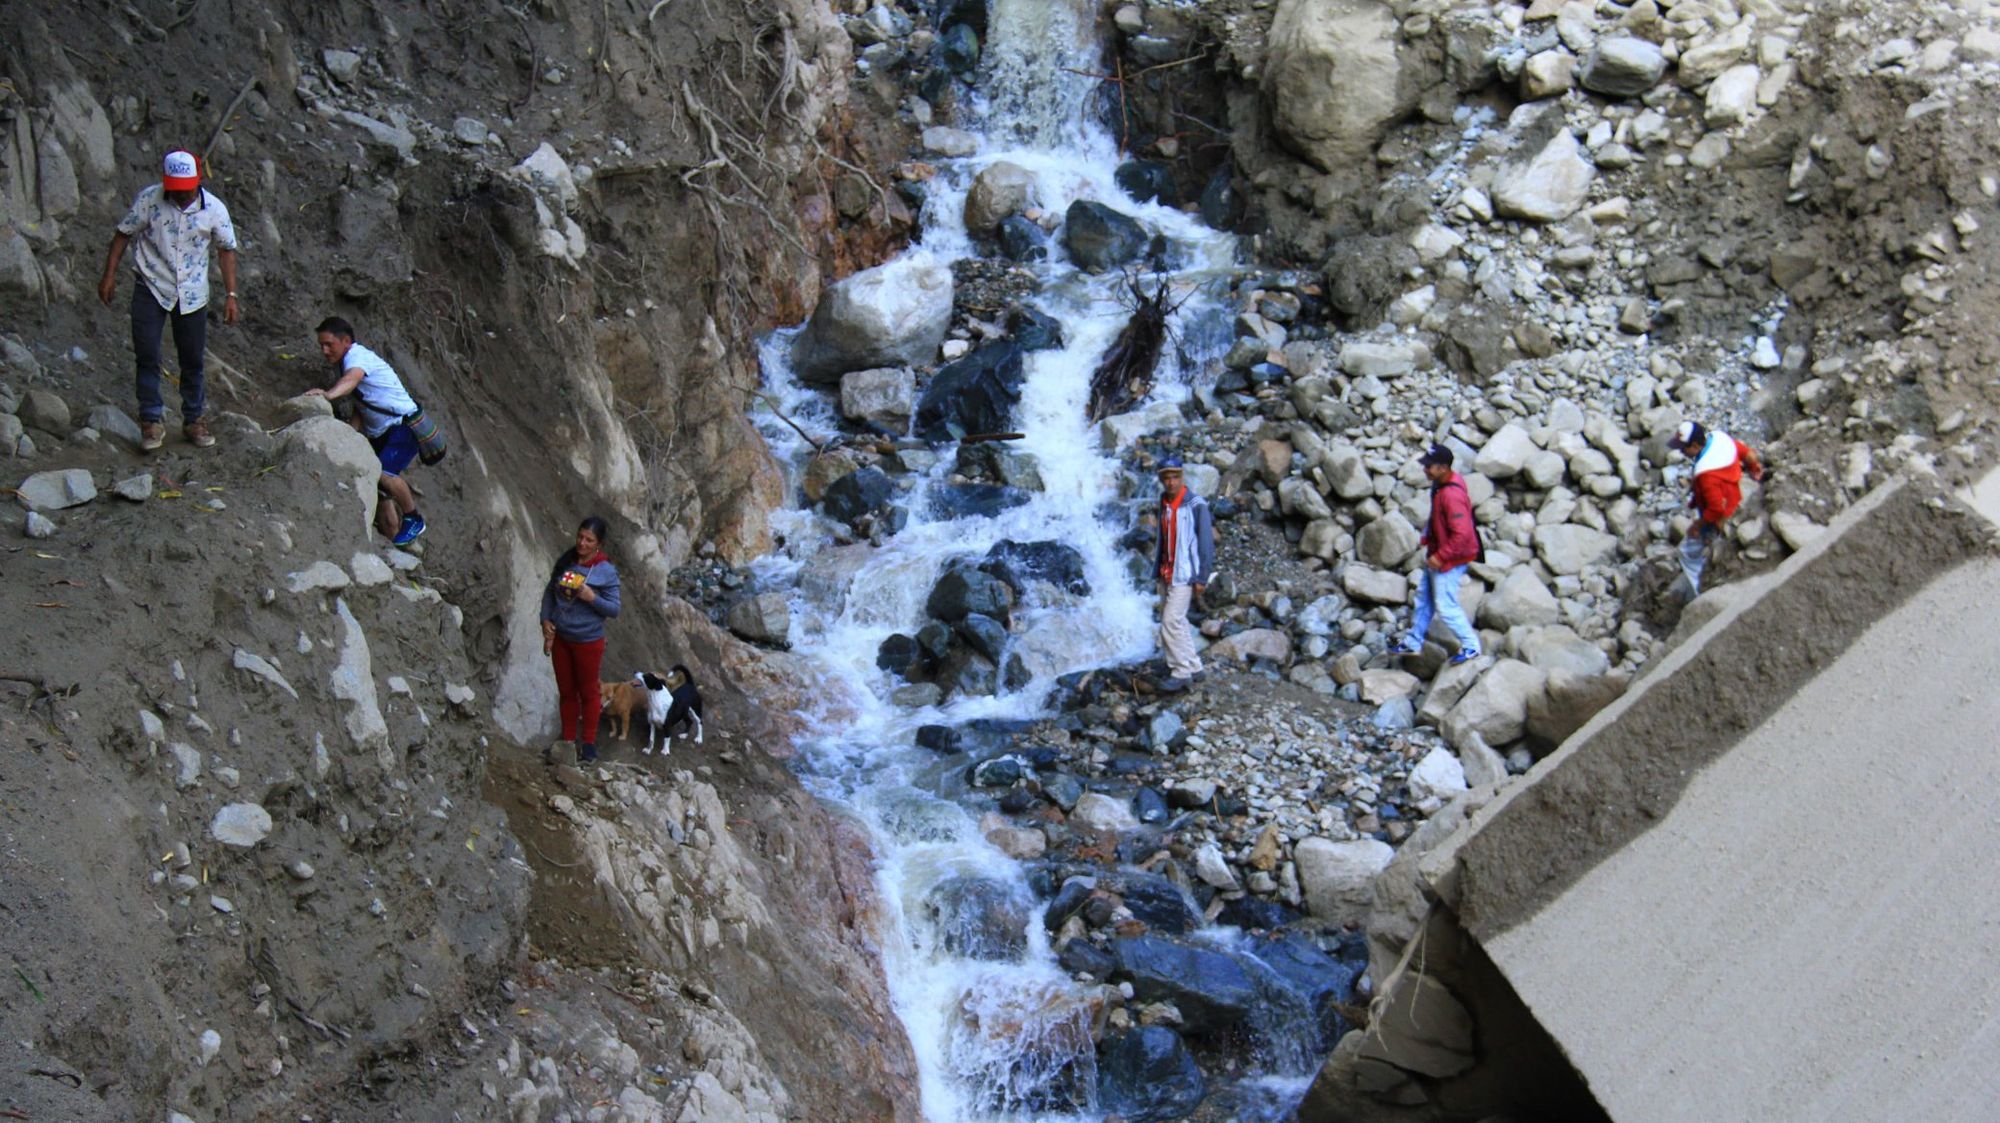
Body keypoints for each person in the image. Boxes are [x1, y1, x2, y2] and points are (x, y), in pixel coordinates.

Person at [97, 149, 240, 451]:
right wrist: (109, 275)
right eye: (175, 188)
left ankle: (194, 419)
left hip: (192, 293)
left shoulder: (214, 209)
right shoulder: (150, 200)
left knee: (192, 359)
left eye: (186, 188)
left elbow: (226, 250)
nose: (181, 194)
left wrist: (231, 295)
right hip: (151, 285)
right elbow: (123, 234)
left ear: (198, 181)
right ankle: (151, 420)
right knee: (147, 353)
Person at [307, 317, 427, 546]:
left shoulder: (357, 357)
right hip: (382, 431)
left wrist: (328, 395)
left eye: (329, 344)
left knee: (384, 473)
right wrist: (350, 435)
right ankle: (394, 545)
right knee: (380, 491)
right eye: (321, 345)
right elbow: (362, 405)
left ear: (346, 341)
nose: (324, 350)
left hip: (402, 424)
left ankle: (414, 518)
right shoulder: (345, 362)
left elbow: (351, 380)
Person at [1388, 444, 1483, 666]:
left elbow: (1462, 535)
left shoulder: (1451, 495)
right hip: (1439, 552)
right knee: (1424, 599)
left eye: (1429, 466)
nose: (1425, 470)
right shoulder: (1442, 484)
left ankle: (1471, 646)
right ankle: (1413, 641)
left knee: (1445, 606)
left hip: (1450, 559)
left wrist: (1441, 557)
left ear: (1443, 468)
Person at [540, 517, 622, 765]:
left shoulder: (605, 571)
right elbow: (550, 592)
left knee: (588, 692)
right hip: (562, 638)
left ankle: (588, 745)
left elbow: (614, 609)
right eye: (580, 537)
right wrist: (545, 619)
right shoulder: (567, 561)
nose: (582, 543)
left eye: (589, 540)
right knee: (566, 691)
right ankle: (566, 743)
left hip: (588, 641)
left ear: (599, 544)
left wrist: (591, 598)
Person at [1667, 420, 1764, 598]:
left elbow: (1716, 509)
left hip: (1724, 514)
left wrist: (1697, 525)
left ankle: (1699, 589)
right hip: (1737, 495)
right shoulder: (1720, 440)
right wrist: (1755, 468)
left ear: (1695, 445)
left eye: (1683, 448)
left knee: (1686, 551)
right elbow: (1748, 454)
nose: (1681, 452)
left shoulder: (1706, 475)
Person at [1152, 455, 1214, 692]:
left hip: (1185, 573)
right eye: (1166, 478)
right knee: (1178, 621)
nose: (1171, 482)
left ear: (1182, 477)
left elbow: (1206, 543)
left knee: (1170, 622)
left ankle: (1181, 672)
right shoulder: (1164, 501)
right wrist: (1158, 570)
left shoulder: (1196, 504)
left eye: (1175, 477)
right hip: (1166, 572)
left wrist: (1202, 577)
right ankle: (1194, 666)